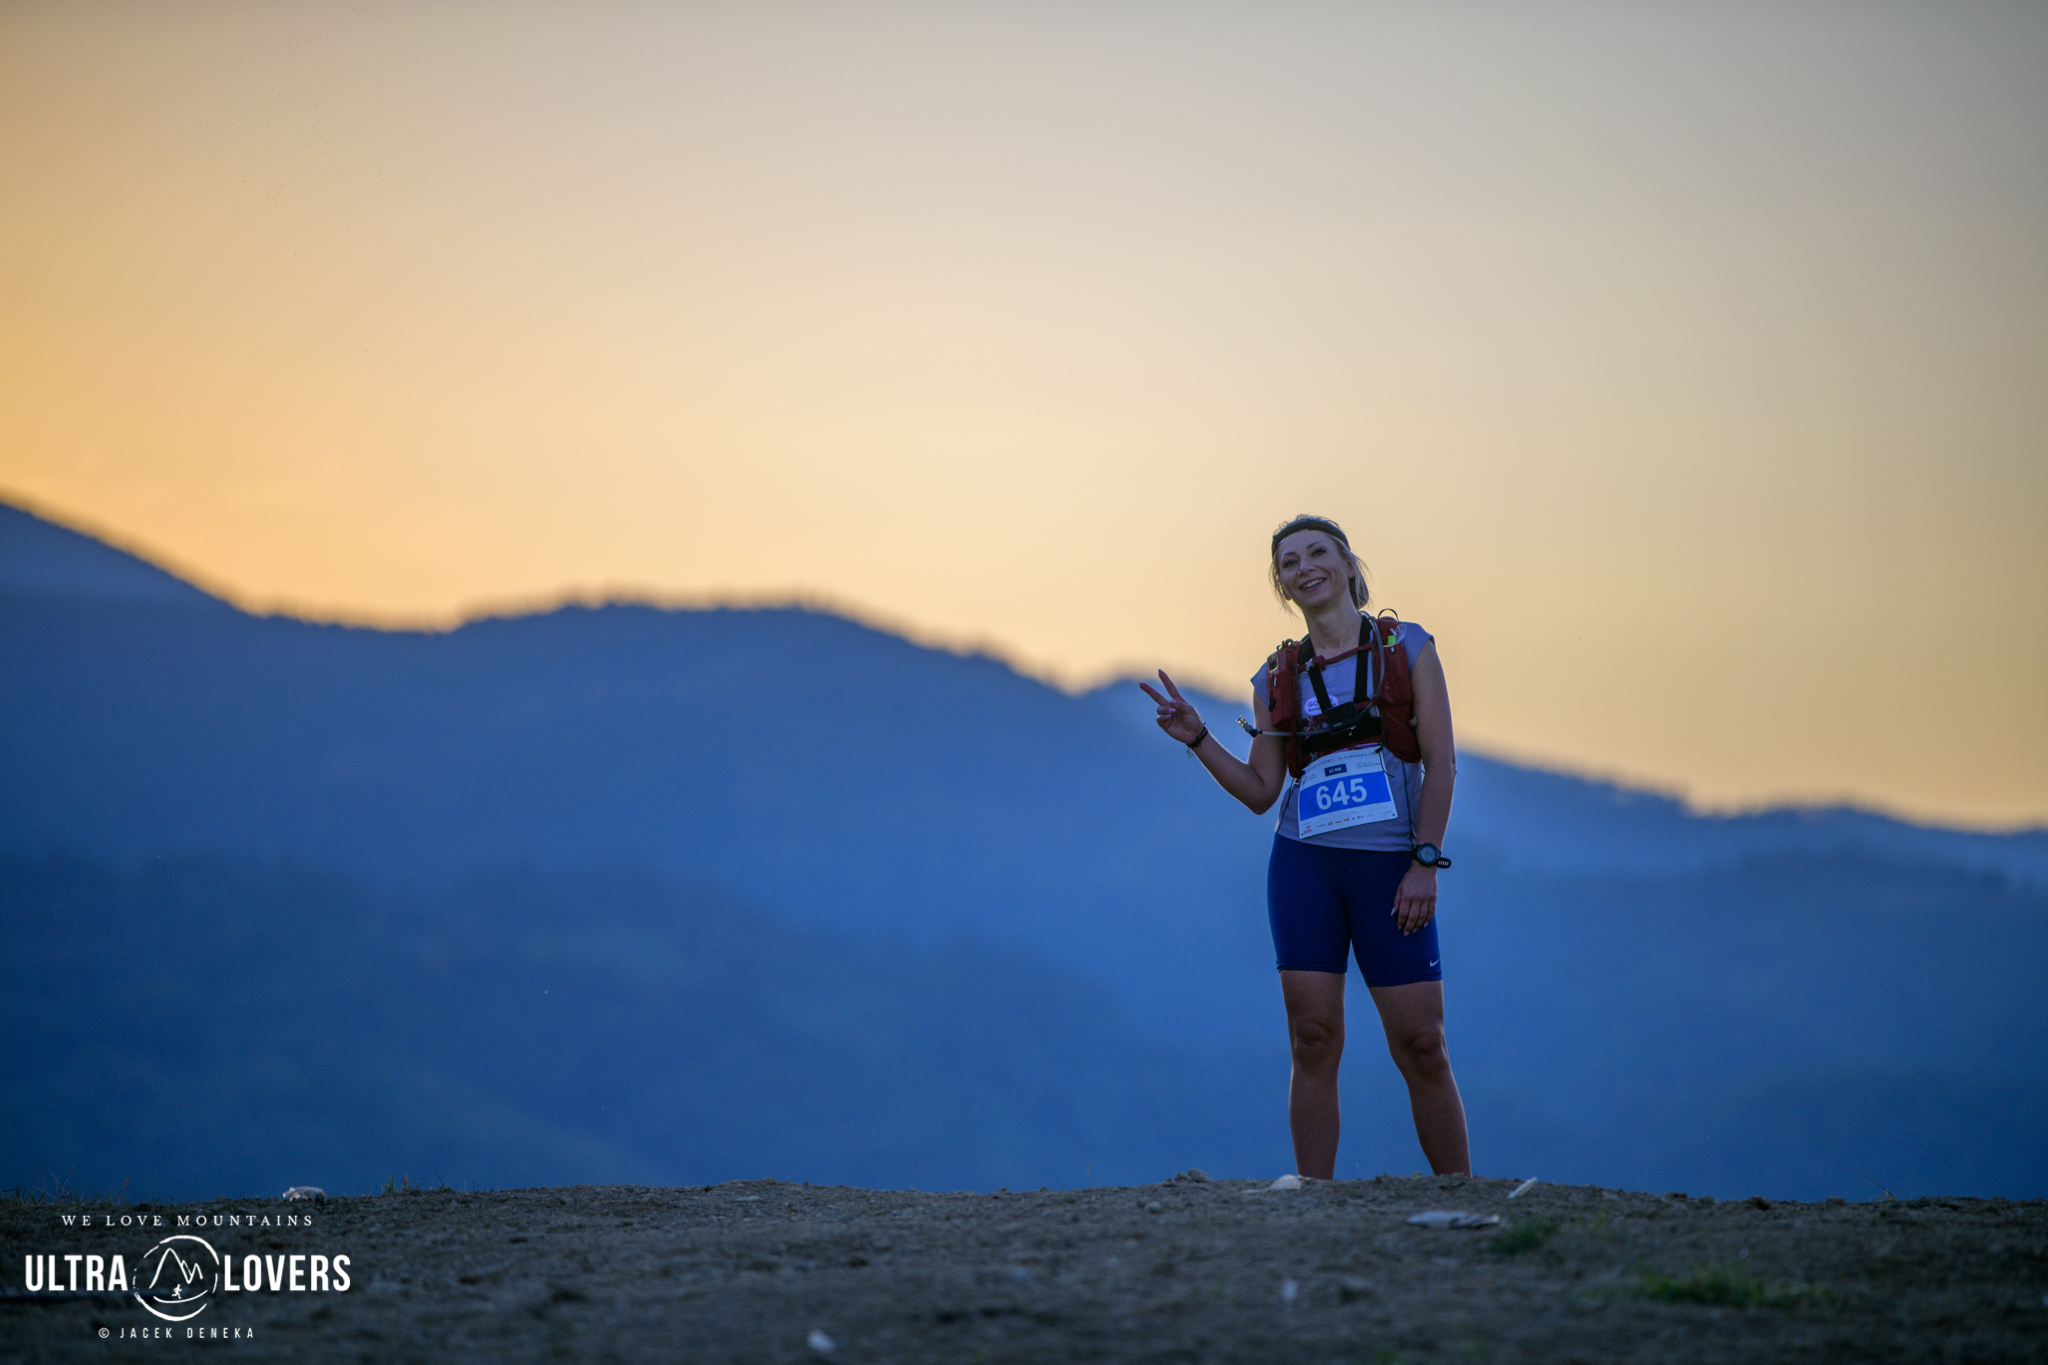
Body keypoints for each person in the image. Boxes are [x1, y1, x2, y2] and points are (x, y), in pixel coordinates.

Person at [1139, 514, 1471, 1180]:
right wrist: (1200, 738)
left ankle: (1463, 1195)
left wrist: (1425, 862)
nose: (1305, 567)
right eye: (1289, 562)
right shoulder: (1275, 677)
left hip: (1392, 869)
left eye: (1318, 552)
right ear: (1282, 585)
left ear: (1349, 565)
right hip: (1305, 868)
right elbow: (1262, 790)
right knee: (1312, 1039)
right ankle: (1313, 1201)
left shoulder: (1407, 647)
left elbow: (1443, 762)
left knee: (1423, 1042)